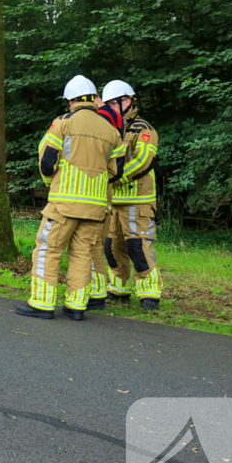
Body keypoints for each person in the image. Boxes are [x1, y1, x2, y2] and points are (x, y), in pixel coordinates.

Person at [17, 75, 125, 321]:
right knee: (81, 254)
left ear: (71, 101)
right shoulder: (111, 131)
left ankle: (42, 303)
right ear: (93, 100)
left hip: (63, 203)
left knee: (48, 250)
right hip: (96, 207)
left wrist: (51, 183)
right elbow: (116, 172)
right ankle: (76, 306)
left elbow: (46, 161)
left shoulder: (63, 123)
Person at [102, 80, 163, 311]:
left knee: (138, 247)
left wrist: (113, 177)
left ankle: (150, 292)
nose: (108, 108)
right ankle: (119, 288)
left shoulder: (143, 129)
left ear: (126, 101)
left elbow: (142, 161)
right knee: (111, 247)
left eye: (112, 104)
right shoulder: (113, 128)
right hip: (114, 201)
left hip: (138, 200)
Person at [87, 96, 127, 311]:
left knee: (91, 244)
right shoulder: (114, 119)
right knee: (97, 244)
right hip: (104, 192)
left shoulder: (102, 117)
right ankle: (98, 292)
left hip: (95, 192)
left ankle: (96, 294)